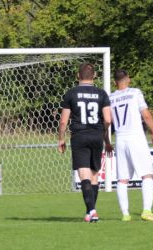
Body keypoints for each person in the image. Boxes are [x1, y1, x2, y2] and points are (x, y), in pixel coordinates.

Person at [58, 63, 112, 223]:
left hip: (79, 136)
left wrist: (61, 139)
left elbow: (63, 121)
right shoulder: (102, 93)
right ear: (94, 76)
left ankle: (92, 210)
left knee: (84, 176)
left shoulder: (71, 93)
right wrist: (106, 138)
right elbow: (108, 119)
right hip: (96, 136)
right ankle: (91, 212)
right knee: (94, 177)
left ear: (78, 76)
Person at [109, 70, 153, 222]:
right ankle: (147, 211)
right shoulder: (135, 93)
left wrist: (106, 140)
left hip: (120, 139)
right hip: (136, 137)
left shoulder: (110, 97)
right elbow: (146, 115)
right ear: (128, 79)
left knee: (122, 179)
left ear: (114, 82)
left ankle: (125, 214)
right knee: (147, 175)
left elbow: (107, 121)